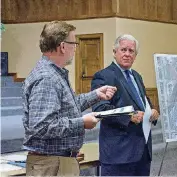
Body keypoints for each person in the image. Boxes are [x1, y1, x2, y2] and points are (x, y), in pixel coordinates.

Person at [22, 21, 117, 176]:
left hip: (58, 162)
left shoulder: (55, 74)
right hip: (52, 164)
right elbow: (41, 127)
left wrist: (96, 95)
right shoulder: (47, 78)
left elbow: (67, 108)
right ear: (63, 46)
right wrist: (82, 122)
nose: (75, 49)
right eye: (74, 43)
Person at [91, 34, 160, 176]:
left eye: (131, 51)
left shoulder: (136, 76)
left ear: (135, 55)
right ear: (115, 52)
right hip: (119, 154)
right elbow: (100, 109)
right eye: (123, 50)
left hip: (142, 151)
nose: (127, 54)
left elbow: (143, 101)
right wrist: (128, 116)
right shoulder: (104, 76)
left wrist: (153, 111)